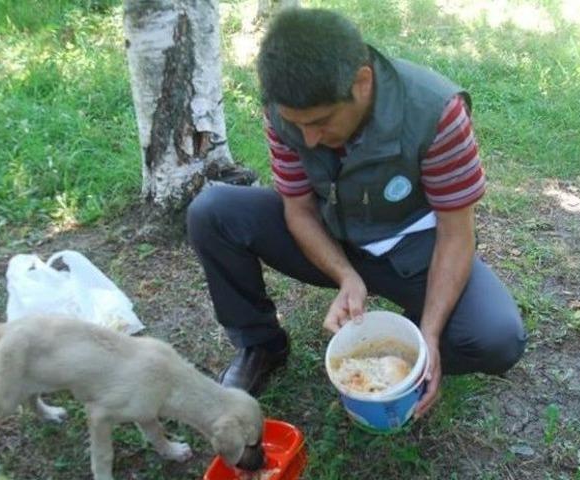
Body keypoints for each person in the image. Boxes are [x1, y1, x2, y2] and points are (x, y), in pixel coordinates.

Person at [187, 8, 526, 417]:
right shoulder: (285, 110)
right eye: (298, 125)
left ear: (362, 82)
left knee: (497, 337)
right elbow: (298, 209)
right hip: (335, 236)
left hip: (414, 250)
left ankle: (416, 345)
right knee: (214, 212)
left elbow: (457, 234)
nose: (308, 138)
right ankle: (261, 345)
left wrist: (430, 335)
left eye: (321, 121)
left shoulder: (435, 111)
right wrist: (345, 275)